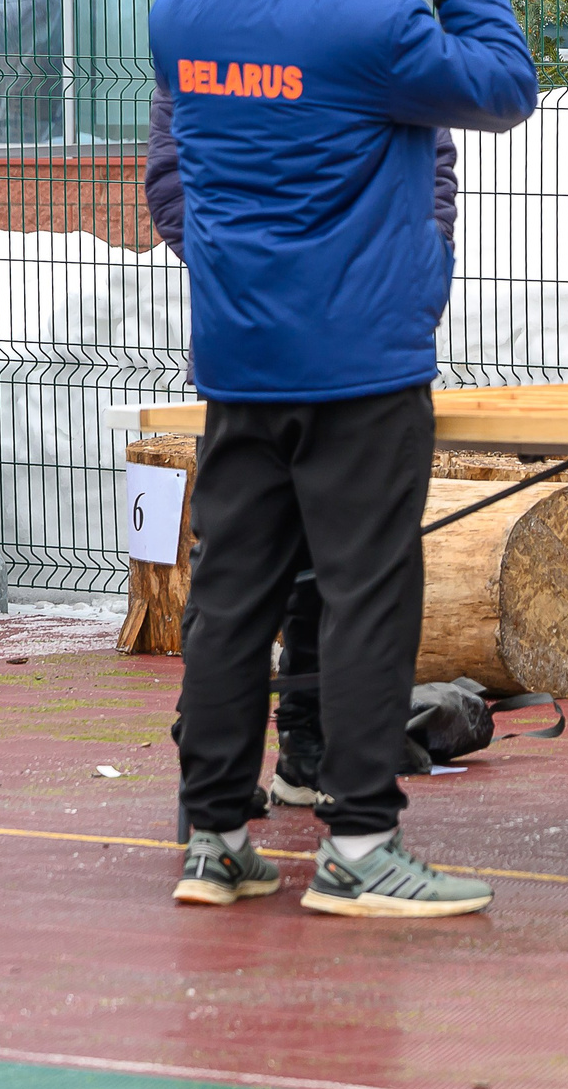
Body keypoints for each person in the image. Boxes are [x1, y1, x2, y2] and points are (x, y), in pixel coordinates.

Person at [151, 0, 537, 914]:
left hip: (240, 359)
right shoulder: (373, 28)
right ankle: (361, 845)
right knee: (369, 596)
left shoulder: (182, 20)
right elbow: (505, 88)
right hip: (360, 364)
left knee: (232, 597)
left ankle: (216, 836)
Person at [144, 92, 464, 815]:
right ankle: (232, 789)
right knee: (242, 576)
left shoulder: (375, 34)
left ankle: (295, 761)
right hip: (259, 354)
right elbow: (172, 182)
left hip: (348, 354)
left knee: (328, 575)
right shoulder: (213, 37)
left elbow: (431, 173)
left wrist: (415, 280)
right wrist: (250, 276)